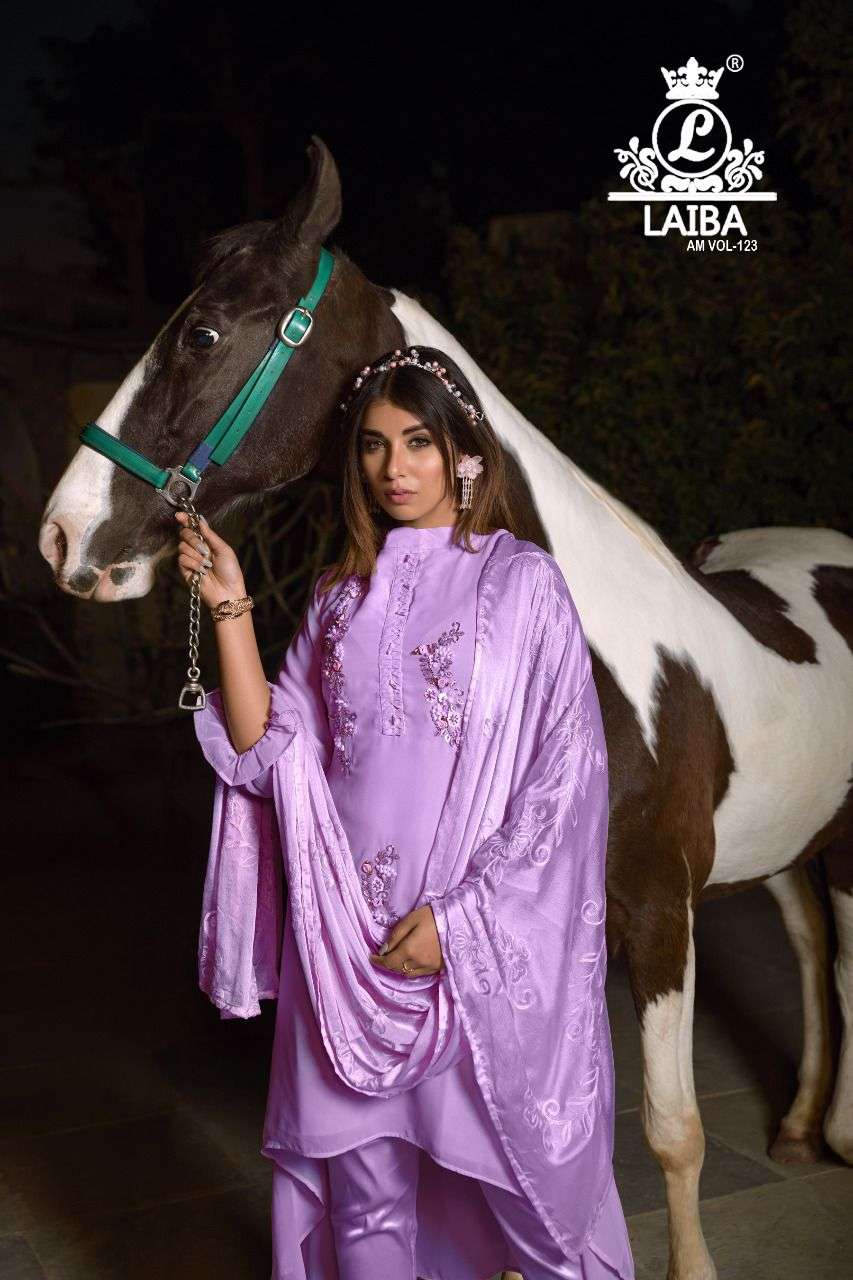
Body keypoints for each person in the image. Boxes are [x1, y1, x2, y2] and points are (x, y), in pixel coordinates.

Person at [177, 345, 635, 1280]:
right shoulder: (337, 599)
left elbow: (564, 779)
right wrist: (231, 609)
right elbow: (273, 754)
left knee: (531, 1201)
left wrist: (461, 922)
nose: (395, 467)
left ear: (464, 453)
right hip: (343, 942)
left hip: (469, 945)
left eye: (419, 441)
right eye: (375, 445)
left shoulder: (523, 583)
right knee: (365, 1204)